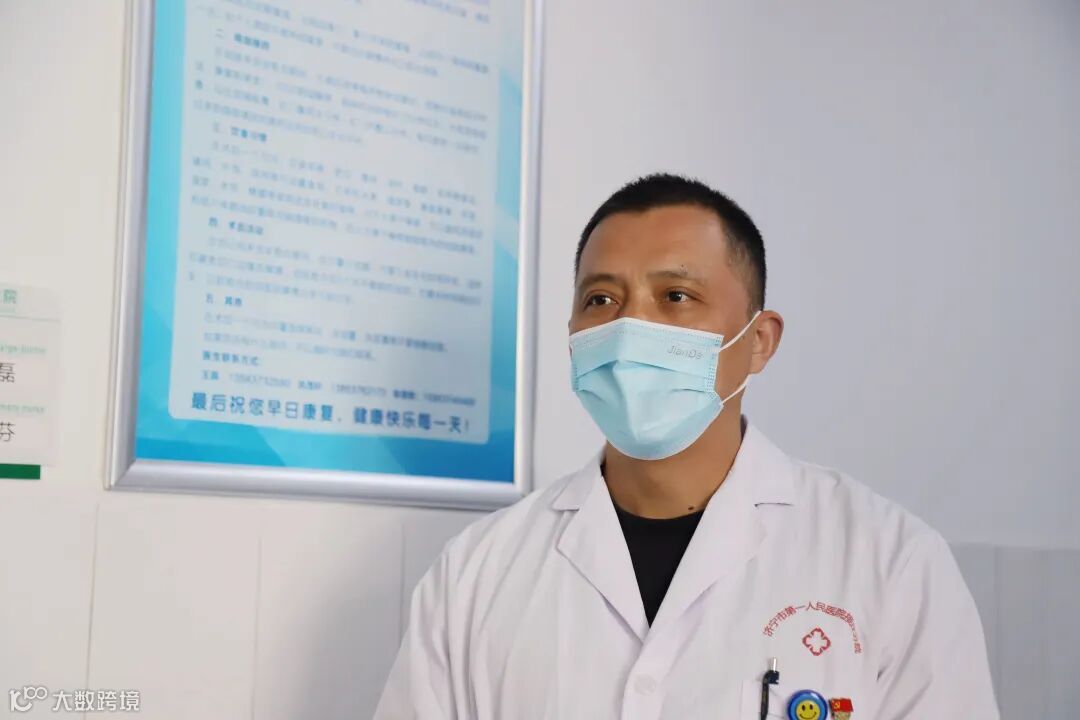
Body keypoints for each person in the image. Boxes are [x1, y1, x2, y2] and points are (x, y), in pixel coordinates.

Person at [374, 174, 998, 719]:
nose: (629, 327)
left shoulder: (889, 563)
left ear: (759, 341)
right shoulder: (476, 573)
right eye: (600, 300)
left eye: (675, 297)